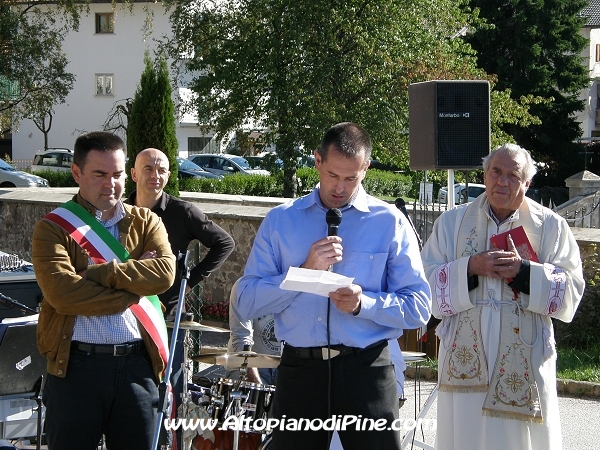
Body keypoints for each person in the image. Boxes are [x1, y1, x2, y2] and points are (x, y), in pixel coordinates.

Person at [236, 122, 432, 450]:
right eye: (333, 175)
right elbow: (246, 301)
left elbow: (419, 308)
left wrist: (363, 304)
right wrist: (303, 271)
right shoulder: (282, 221)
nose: (340, 187)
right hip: (301, 372)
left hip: (366, 371)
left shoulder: (389, 222)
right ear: (317, 161)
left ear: (366, 168)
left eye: (351, 178)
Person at [420, 143, 585, 450]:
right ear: (485, 175)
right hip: (465, 362)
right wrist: (470, 267)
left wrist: (524, 272)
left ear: (527, 182)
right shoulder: (452, 223)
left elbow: (572, 290)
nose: (503, 181)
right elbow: (423, 284)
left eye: (513, 175)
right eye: (496, 172)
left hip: (526, 355)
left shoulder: (550, 226)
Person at [31, 131, 176, 450]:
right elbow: (63, 294)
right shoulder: (52, 228)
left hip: (137, 366)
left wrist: (94, 274)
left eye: (118, 174)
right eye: (99, 174)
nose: (111, 183)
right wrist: (135, 286)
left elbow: (164, 275)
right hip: (76, 368)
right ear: (77, 172)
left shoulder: (147, 221)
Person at [127, 147, 235, 449]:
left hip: (167, 322)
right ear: (134, 174)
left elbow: (224, 243)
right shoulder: (120, 213)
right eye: (148, 168)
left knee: (168, 394)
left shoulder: (182, 212)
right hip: (125, 319)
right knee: (130, 397)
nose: (155, 175)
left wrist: (191, 280)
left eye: (161, 169)